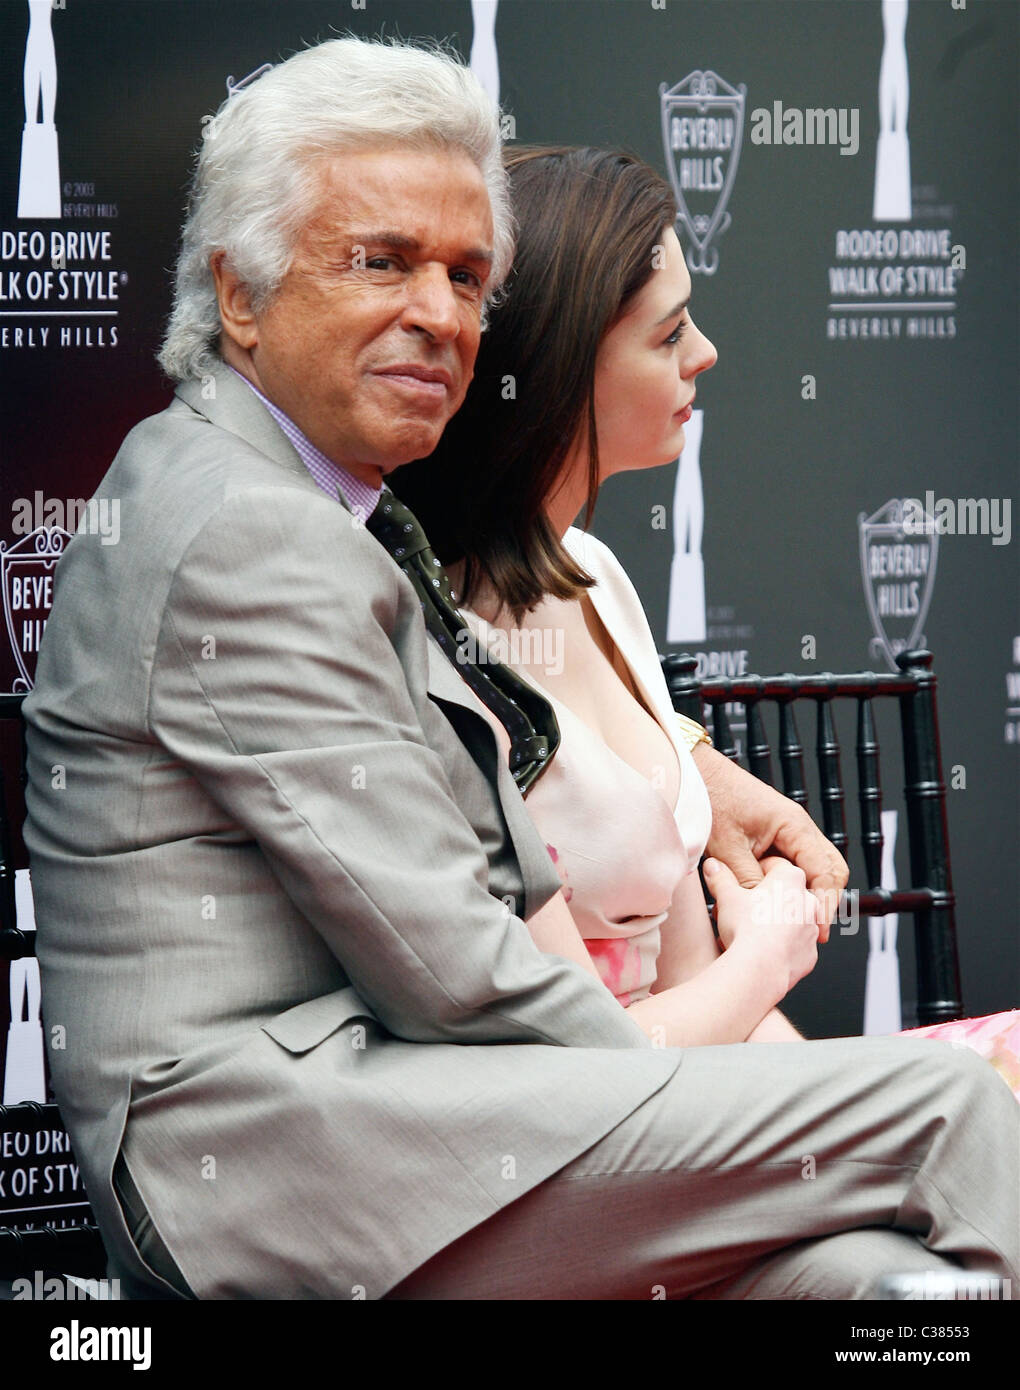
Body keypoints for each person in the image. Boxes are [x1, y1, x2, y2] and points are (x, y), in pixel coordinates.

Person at [21, 41, 1018, 1302]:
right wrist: (695, 1079)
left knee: (872, 1278)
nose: (440, 313)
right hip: (284, 1166)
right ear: (241, 298)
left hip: (418, 1114)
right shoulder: (246, 529)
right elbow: (458, 974)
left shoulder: (325, 504)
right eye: (381, 261)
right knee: (946, 1108)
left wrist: (717, 805)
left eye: (466, 275)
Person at [390, 145, 1020, 1085]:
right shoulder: (444, 659)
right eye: (670, 332)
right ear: (561, 373)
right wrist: (768, 954)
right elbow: (571, 1073)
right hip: (613, 1144)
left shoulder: (596, 576)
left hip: (713, 1104)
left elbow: (699, 982)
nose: (706, 353)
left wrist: (853, 1109)